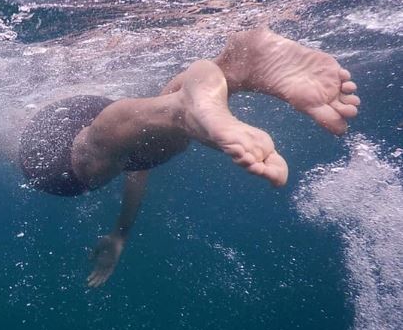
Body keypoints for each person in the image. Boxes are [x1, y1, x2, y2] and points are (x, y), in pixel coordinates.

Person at [18, 27, 360, 287]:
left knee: (87, 161)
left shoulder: (5, 123)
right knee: (149, 140)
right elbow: (137, 169)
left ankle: (183, 109)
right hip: (98, 109)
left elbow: (123, 163)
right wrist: (120, 234)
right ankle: (226, 75)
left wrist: (120, 233)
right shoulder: (92, 107)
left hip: (49, 143)